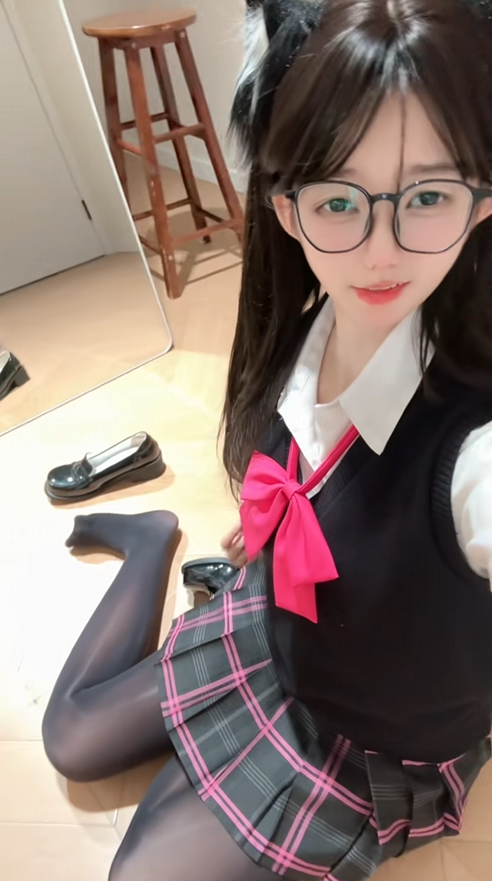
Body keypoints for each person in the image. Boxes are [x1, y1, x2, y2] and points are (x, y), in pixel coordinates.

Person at [42, 1, 492, 879]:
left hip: (370, 737)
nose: (380, 251)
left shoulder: (473, 452)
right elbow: (309, 470)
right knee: (71, 737)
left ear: (482, 202)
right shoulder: (305, 326)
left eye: (429, 196)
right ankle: (151, 538)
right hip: (278, 628)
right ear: (286, 208)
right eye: (339, 200)